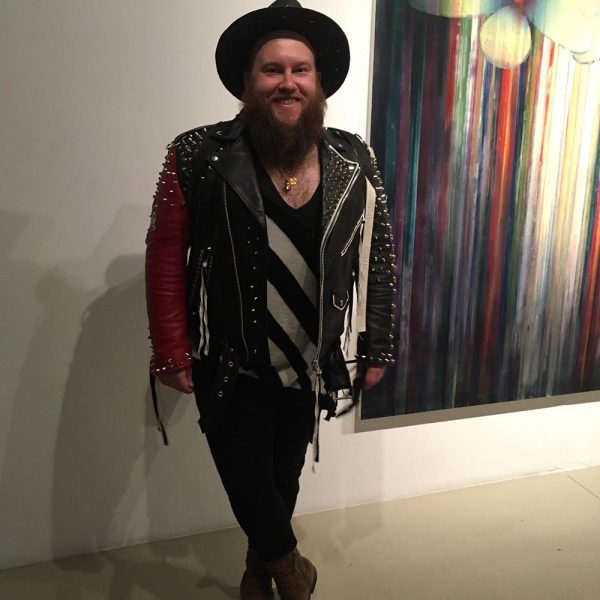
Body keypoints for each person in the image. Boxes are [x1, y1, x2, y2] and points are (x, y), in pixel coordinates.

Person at [145, 1, 395, 598]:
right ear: (247, 80)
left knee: (282, 480)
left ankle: (258, 575)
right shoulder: (197, 153)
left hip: (310, 361)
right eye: (272, 69)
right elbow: (165, 256)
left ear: (319, 81)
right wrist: (172, 350)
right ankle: (292, 575)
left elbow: (380, 256)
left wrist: (378, 342)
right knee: (248, 481)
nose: (288, 82)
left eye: (300, 69)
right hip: (228, 361)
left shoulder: (353, 157)